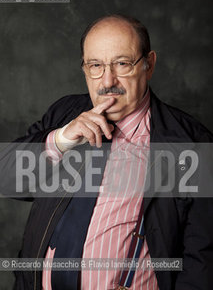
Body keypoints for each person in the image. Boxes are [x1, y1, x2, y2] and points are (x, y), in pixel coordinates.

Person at [1, 14, 213, 290]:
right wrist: (61, 140)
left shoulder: (192, 144)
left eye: (122, 64)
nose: (108, 80)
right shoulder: (64, 113)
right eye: (96, 66)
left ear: (149, 65)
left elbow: (202, 261)